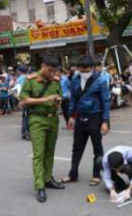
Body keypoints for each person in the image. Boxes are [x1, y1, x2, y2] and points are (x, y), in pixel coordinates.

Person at [19, 56, 65, 203]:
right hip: (37, 120)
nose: (52, 74)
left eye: (54, 71)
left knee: (50, 151)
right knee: (39, 154)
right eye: (50, 70)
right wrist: (44, 99)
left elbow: (60, 98)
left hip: (53, 119)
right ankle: (40, 186)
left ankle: (47, 178)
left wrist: (58, 101)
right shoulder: (31, 80)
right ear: (43, 66)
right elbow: (23, 100)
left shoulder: (56, 81)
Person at [61, 56, 110, 186]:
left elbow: (105, 101)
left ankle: (96, 175)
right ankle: (73, 174)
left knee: (97, 148)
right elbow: (73, 100)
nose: (84, 73)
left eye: (87, 70)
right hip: (80, 118)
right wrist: (71, 116)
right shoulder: (75, 81)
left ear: (93, 68)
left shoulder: (100, 80)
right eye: (82, 70)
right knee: (76, 148)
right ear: (78, 69)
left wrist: (105, 121)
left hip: (95, 118)